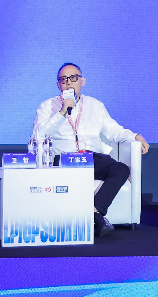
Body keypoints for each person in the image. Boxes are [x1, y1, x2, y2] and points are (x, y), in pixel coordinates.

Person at [30, 62, 150, 237]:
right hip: (64, 159)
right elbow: (39, 135)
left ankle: (93, 211)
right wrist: (61, 113)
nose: (68, 83)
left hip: (91, 158)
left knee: (121, 169)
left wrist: (135, 136)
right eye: (63, 80)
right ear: (58, 85)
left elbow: (114, 130)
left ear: (82, 81)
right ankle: (97, 218)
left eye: (73, 78)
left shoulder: (95, 105)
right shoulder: (47, 106)